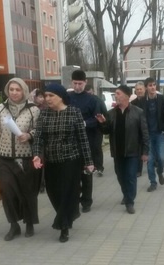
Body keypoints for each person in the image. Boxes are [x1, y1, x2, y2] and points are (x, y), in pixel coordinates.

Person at [32, 83, 94, 243]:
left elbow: (82, 138)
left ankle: (63, 225)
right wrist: (36, 155)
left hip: (71, 160)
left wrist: (89, 161)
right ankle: (68, 215)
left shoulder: (74, 112)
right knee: (54, 193)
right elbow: (38, 137)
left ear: (61, 97)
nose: (47, 99)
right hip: (52, 161)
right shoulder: (44, 114)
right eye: (46, 96)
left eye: (51, 95)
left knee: (68, 192)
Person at [0, 78, 41, 241]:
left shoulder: (33, 109)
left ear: (24, 91)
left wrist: (29, 135)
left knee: (28, 192)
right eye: (11, 89)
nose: (14, 92)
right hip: (5, 158)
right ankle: (14, 225)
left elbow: (39, 130)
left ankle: (29, 223)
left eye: (17, 89)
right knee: (8, 192)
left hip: (26, 158)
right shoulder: (1, 108)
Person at [96, 85, 149, 214]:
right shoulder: (111, 113)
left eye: (118, 93)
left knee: (131, 177)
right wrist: (102, 123)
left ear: (126, 96)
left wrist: (145, 152)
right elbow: (106, 131)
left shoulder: (138, 112)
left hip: (132, 152)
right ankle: (126, 195)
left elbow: (144, 134)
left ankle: (130, 202)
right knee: (121, 177)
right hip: (117, 151)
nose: (116, 96)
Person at [68, 69, 100, 213]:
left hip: (87, 141)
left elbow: (98, 119)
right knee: (73, 174)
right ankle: (74, 199)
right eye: (75, 83)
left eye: (80, 83)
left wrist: (85, 123)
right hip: (70, 142)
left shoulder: (93, 100)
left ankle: (86, 201)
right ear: (71, 82)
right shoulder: (67, 97)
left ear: (85, 82)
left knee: (87, 173)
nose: (77, 86)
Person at [132, 77, 164, 192]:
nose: (152, 87)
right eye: (150, 85)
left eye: (154, 85)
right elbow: (138, 118)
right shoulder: (142, 101)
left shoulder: (162, 99)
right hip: (147, 135)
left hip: (159, 134)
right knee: (149, 160)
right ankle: (153, 182)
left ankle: (160, 171)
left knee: (162, 158)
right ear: (146, 88)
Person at [85, 85, 108, 177]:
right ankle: (90, 166)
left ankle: (99, 167)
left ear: (93, 91)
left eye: (89, 93)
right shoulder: (83, 101)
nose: (88, 95)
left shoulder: (98, 100)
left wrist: (103, 122)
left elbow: (105, 113)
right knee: (88, 148)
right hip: (86, 129)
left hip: (97, 128)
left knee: (97, 147)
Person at [132, 81, 146, 177]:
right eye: (137, 89)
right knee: (138, 150)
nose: (139, 91)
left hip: (148, 129)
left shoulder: (149, 101)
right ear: (135, 91)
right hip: (137, 130)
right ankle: (138, 169)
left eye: (141, 89)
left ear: (144, 89)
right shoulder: (132, 103)